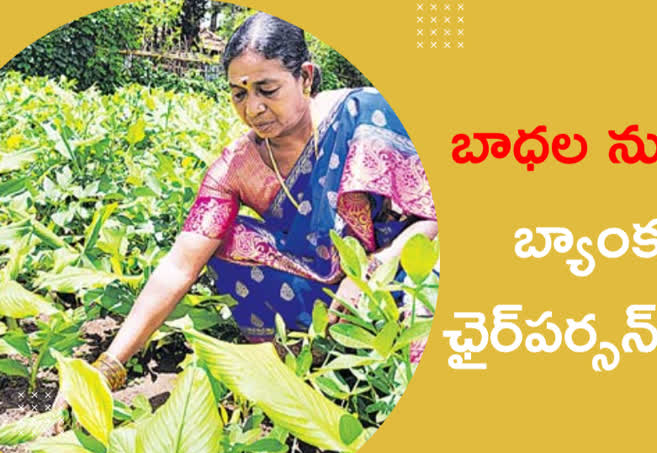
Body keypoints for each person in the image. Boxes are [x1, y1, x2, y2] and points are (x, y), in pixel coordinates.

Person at [67, 12, 438, 395]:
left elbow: (437, 215)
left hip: (401, 273)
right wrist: (107, 366)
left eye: (267, 89)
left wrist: (372, 272)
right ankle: (306, 359)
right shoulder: (236, 168)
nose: (253, 108)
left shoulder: (363, 115)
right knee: (228, 240)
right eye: (239, 93)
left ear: (305, 77)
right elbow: (180, 265)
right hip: (322, 294)